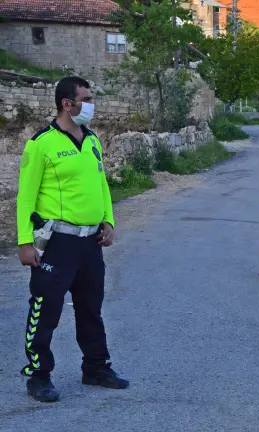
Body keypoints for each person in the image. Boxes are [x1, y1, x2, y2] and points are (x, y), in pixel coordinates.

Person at [16, 76, 128, 403]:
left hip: (90, 243)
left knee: (90, 308)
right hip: (57, 243)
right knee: (45, 309)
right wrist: (25, 242)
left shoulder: (92, 140)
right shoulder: (41, 143)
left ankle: (96, 367)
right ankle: (38, 375)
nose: (91, 105)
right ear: (68, 103)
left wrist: (107, 220)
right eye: (86, 98)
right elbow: (26, 197)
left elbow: (101, 184)